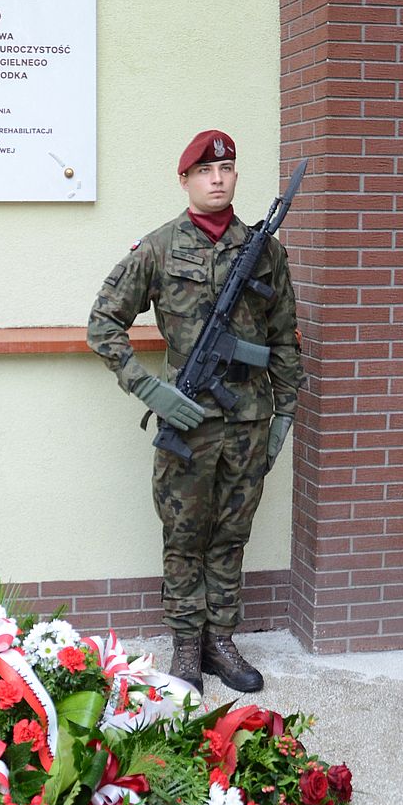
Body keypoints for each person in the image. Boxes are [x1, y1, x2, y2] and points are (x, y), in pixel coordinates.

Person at [87, 129, 303, 694]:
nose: (217, 179)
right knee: (184, 535)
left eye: (226, 170)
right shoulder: (158, 249)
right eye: (204, 172)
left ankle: (221, 643)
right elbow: (102, 325)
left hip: (249, 420)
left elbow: (283, 340)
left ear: (235, 177)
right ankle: (186, 646)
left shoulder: (267, 252)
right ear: (185, 180)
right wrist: (148, 389)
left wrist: (285, 413)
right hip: (188, 422)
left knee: (232, 534)